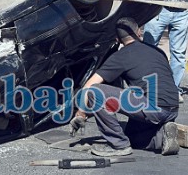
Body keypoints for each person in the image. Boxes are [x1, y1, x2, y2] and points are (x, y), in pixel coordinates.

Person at [70, 17, 180, 157]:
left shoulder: (120, 56)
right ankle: (162, 138)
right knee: (133, 137)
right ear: (139, 32)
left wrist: (81, 113)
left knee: (95, 92)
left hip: (153, 107)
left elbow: (89, 86)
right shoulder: (157, 51)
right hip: (173, 107)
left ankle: (119, 145)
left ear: (117, 39)